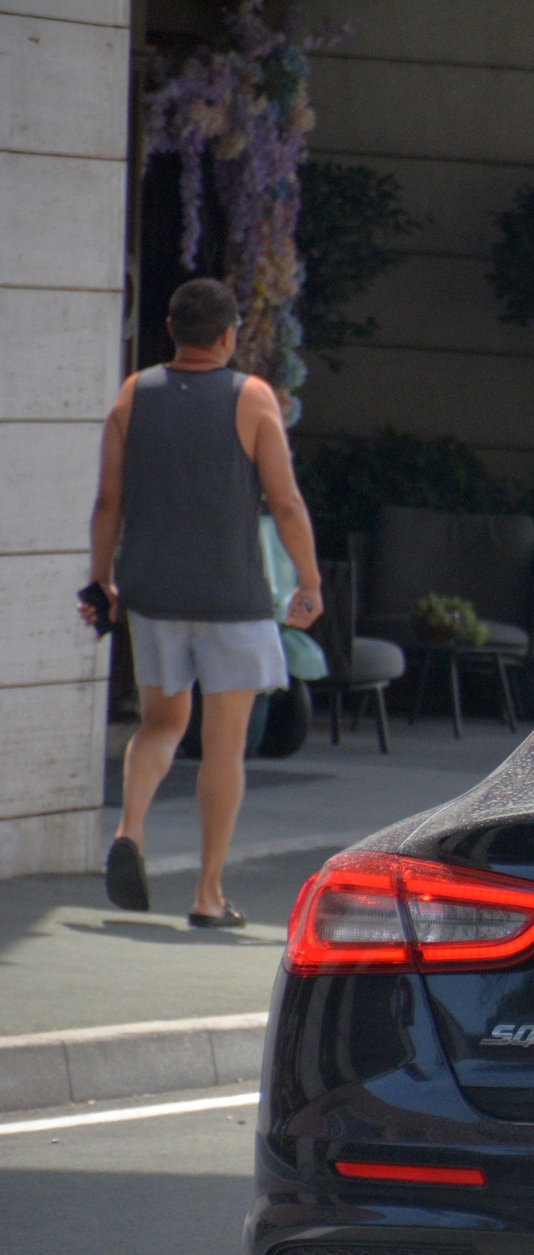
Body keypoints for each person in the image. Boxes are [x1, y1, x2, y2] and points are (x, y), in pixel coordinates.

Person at [81, 278, 321, 926]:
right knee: (224, 745)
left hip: (152, 593)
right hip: (232, 598)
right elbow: (286, 501)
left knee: (160, 724)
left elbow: (109, 501)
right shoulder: (251, 398)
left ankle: (130, 828)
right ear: (226, 335)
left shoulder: (134, 395)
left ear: (169, 328)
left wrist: (100, 581)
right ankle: (207, 895)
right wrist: (309, 581)